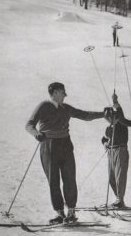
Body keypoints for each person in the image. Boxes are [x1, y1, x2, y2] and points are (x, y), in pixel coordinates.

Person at [26, 82, 107, 224]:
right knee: (54, 181)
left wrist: (103, 114)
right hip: (49, 145)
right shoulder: (44, 106)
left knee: (69, 178)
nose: (65, 95)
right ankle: (59, 213)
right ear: (56, 92)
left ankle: (71, 212)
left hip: (65, 145)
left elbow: (85, 115)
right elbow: (29, 125)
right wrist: (37, 134)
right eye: (63, 92)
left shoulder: (66, 108)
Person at [102, 92, 131, 209]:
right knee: (111, 177)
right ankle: (117, 199)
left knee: (120, 176)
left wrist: (115, 102)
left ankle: (120, 199)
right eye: (106, 118)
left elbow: (120, 112)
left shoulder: (121, 123)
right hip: (111, 151)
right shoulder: (109, 127)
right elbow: (104, 138)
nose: (108, 119)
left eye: (109, 117)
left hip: (120, 150)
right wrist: (105, 143)